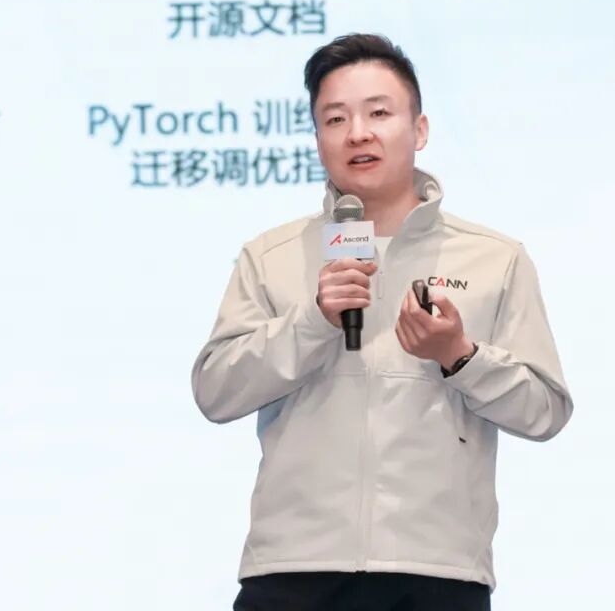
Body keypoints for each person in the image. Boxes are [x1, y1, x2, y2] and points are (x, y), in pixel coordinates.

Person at [191, 33, 574, 610]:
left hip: (436, 572)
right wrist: (312, 321)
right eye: (335, 119)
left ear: (419, 130)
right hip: (292, 570)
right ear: (317, 139)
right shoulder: (270, 257)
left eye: (378, 113)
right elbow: (216, 392)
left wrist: (460, 357)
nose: (357, 133)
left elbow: (544, 411)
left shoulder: (494, 258)